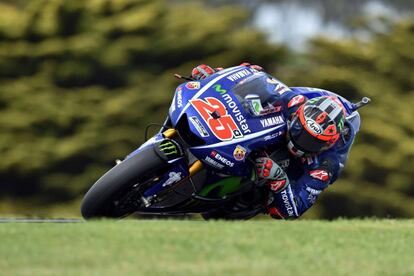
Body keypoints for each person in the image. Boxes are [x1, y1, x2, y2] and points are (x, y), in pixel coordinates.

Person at [190, 63, 361, 219]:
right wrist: (215, 76)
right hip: (281, 118)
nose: (301, 141)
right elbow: (251, 74)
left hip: (283, 175)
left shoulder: (327, 163)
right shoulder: (293, 101)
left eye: (313, 141)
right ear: (297, 116)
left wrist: (279, 179)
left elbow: (295, 210)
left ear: (328, 144)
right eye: (300, 130)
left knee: (273, 208)